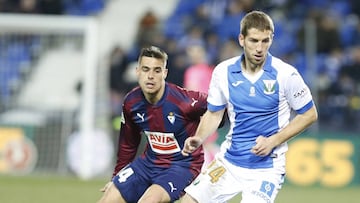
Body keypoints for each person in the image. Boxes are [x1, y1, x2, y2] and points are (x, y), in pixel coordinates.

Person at [181, 10, 318, 203]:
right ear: (241, 39)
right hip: (229, 162)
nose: (260, 48)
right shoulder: (223, 72)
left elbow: (309, 115)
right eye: (254, 40)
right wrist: (198, 137)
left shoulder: (286, 74)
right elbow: (214, 114)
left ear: (271, 39)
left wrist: (273, 141)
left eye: (265, 41)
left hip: (267, 169)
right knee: (188, 200)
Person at [97, 46, 208, 203]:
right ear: (137, 71)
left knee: (149, 200)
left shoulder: (184, 101)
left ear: (165, 73)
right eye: (145, 69)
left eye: (157, 70)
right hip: (148, 163)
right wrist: (116, 177)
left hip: (182, 166)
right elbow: (128, 144)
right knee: (108, 199)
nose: (150, 76)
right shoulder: (131, 102)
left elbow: (217, 107)